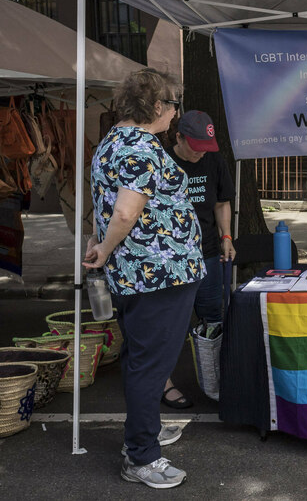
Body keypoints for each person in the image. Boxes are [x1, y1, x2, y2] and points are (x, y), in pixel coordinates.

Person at [84, 68, 205, 489]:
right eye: (173, 105)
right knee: (150, 365)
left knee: (143, 359)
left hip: (144, 274)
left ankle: (142, 434)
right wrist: (106, 246)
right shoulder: (140, 148)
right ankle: (141, 455)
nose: (175, 115)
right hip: (158, 274)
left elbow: (106, 205)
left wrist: (102, 246)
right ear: (156, 106)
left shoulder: (111, 143)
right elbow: (124, 212)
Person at [161, 110, 237, 410]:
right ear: (178, 137)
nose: (200, 153)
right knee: (169, 325)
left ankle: (216, 378)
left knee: (213, 318)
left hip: (207, 254)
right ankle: (163, 382)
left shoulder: (214, 161)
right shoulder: (162, 161)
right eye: (195, 146)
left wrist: (227, 237)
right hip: (171, 258)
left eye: (206, 146)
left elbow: (221, 202)